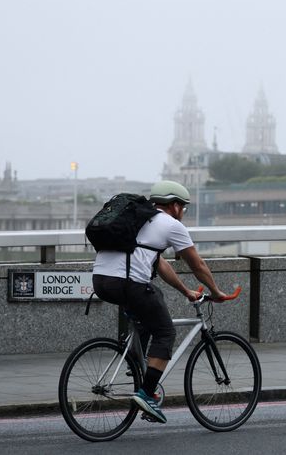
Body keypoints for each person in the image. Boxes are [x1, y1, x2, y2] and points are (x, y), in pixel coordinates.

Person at [92, 180, 227, 424]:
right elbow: (197, 265)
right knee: (165, 331)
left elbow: (160, 264)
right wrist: (215, 291)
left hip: (101, 281)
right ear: (174, 205)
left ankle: (138, 363)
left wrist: (186, 290)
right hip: (127, 283)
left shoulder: (140, 219)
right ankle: (146, 393)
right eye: (183, 207)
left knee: (152, 304)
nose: (183, 212)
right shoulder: (170, 224)